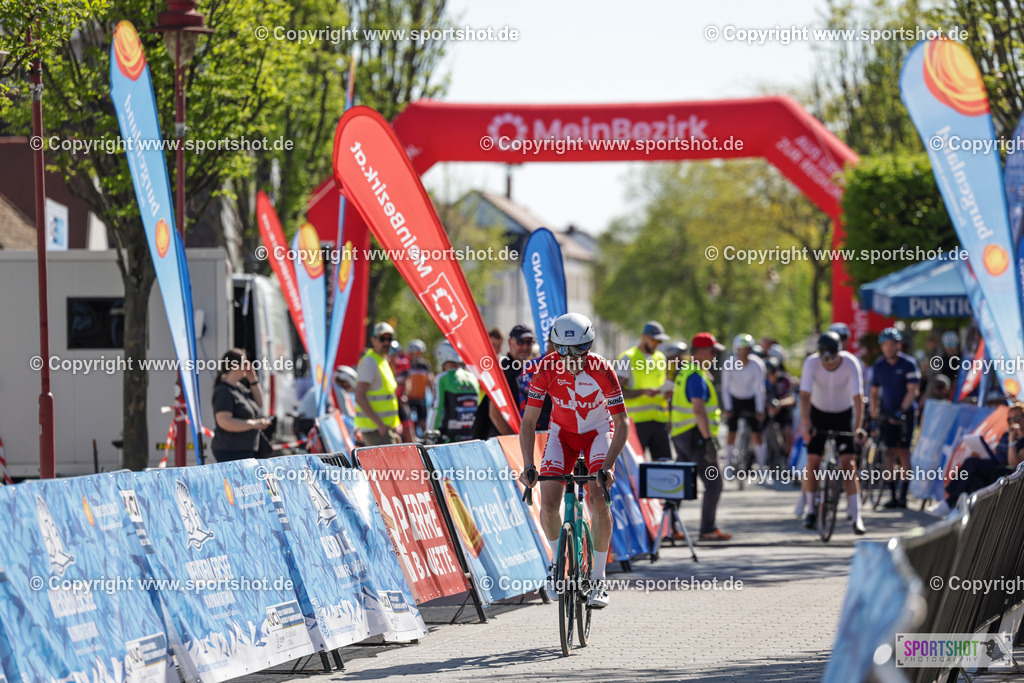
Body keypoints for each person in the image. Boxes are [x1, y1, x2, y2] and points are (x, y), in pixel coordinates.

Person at [520, 313, 629, 610]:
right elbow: (528, 422)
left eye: (579, 349)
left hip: (597, 434)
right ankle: (557, 562)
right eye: (562, 350)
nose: (570, 357)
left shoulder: (603, 370)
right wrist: (528, 465)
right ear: (555, 346)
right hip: (562, 435)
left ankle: (598, 579)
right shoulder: (546, 368)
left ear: (590, 345)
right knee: (549, 503)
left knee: (598, 498)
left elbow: (622, 424)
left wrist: (607, 466)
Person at [799, 331, 867, 535]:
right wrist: (805, 424)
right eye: (824, 358)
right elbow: (804, 396)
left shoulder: (850, 363)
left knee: (848, 463)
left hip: (842, 414)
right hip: (818, 412)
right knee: (813, 460)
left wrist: (858, 427)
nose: (828, 362)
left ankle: (857, 516)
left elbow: (858, 398)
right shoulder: (811, 363)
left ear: (840, 352)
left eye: (833, 357)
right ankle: (811, 509)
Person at [669, 333, 731, 541]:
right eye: (712, 352)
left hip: (682, 435)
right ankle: (708, 529)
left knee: (681, 481)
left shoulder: (686, 371)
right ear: (701, 352)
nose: (714, 356)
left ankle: (668, 527)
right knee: (714, 483)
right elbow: (698, 409)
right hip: (696, 436)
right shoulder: (695, 375)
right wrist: (708, 440)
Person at [869, 327, 921, 509]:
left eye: (893, 344)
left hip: (905, 414)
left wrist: (901, 410)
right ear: (882, 346)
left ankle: (903, 495)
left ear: (898, 345)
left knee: (903, 452)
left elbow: (912, 390)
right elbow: (873, 391)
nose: (889, 348)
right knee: (889, 453)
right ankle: (891, 494)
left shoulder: (908, 364)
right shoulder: (879, 366)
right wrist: (874, 414)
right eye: (886, 345)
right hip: (886, 412)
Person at [944, 402, 1024, 509]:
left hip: (1006, 473)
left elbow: (1015, 465)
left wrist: (1011, 441)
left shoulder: (1016, 439)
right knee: (975, 479)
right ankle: (966, 510)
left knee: (971, 462)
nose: (1014, 422)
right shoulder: (1006, 435)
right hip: (995, 466)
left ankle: (950, 501)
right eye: (1010, 420)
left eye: (1017, 417)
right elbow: (997, 454)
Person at [473, 324, 542, 438]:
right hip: (498, 442)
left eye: (529, 342)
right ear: (510, 343)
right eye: (520, 342)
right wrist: (516, 439)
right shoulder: (502, 369)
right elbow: (495, 414)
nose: (525, 346)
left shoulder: (526, 370)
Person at [616, 321, 672, 462]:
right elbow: (615, 392)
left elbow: (662, 385)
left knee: (665, 465)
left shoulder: (660, 358)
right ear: (643, 337)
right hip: (635, 424)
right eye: (654, 340)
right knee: (636, 469)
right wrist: (643, 392)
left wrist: (667, 394)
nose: (657, 344)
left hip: (659, 421)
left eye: (659, 341)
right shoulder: (628, 357)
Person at [211, 348, 272, 462]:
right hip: (231, 451)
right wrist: (255, 424)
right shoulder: (223, 391)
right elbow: (225, 422)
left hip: (247, 450)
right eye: (245, 363)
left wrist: (253, 380)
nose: (248, 366)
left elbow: (259, 403)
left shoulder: (239, 388)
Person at [722, 333, 767, 471]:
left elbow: (760, 388)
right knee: (731, 432)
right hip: (735, 399)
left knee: (757, 434)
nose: (744, 353)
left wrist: (760, 409)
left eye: (746, 349)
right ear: (736, 350)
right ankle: (728, 465)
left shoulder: (757, 364)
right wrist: (728, 407)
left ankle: (761, 467)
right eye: (741, 350)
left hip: (751, 400)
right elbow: (725, 387)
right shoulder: (729, 364)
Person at [355, 322, 402, 446]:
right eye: (382, 338)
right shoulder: (370, 361)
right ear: (373, 340)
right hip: (376, 430)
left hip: (383, 429)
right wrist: (380, 425)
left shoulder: (382, 360)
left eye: (389, 338)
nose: (386, 342)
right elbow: (359, 396)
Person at [428, 341, 480, 443]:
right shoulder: (472, 377)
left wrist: (430, 435)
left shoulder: (442, 378)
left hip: (448, 438)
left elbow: (437, 409)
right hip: (471, 436)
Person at [765, 355, 796, 457]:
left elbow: (791, 399)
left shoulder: (784, 380)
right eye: (769, 372)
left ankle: (786, 457)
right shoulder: (763, 381)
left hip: (783, 412)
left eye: (773, 371)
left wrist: (779, 403)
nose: (772, 375)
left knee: (787, 432)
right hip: (767, 413)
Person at [404, 339, 433, 436]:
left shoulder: (424, 365)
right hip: (410, 397)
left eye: (419, 353)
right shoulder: (407, 364)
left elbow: (430, 380)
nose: (418, 356)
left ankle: (425, 441)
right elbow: (405, 380)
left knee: (423, 422)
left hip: (421, 398)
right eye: (415, 353)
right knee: (408, 422)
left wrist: (433, 396)